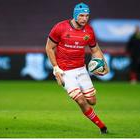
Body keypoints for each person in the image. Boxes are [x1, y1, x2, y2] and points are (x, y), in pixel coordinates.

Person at [45, 2, 109, 134]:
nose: (84, 18)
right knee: (80, 100)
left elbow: (95, 49)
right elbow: (49, 48)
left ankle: (86, 101)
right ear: (75, 15)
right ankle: (102, 127)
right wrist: (56, 68)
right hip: (64, 72)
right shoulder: (60, 27)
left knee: (92, 101)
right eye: (81, 15)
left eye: (87, 15)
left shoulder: (89, 31)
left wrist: (104, 64)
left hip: (81, 69)